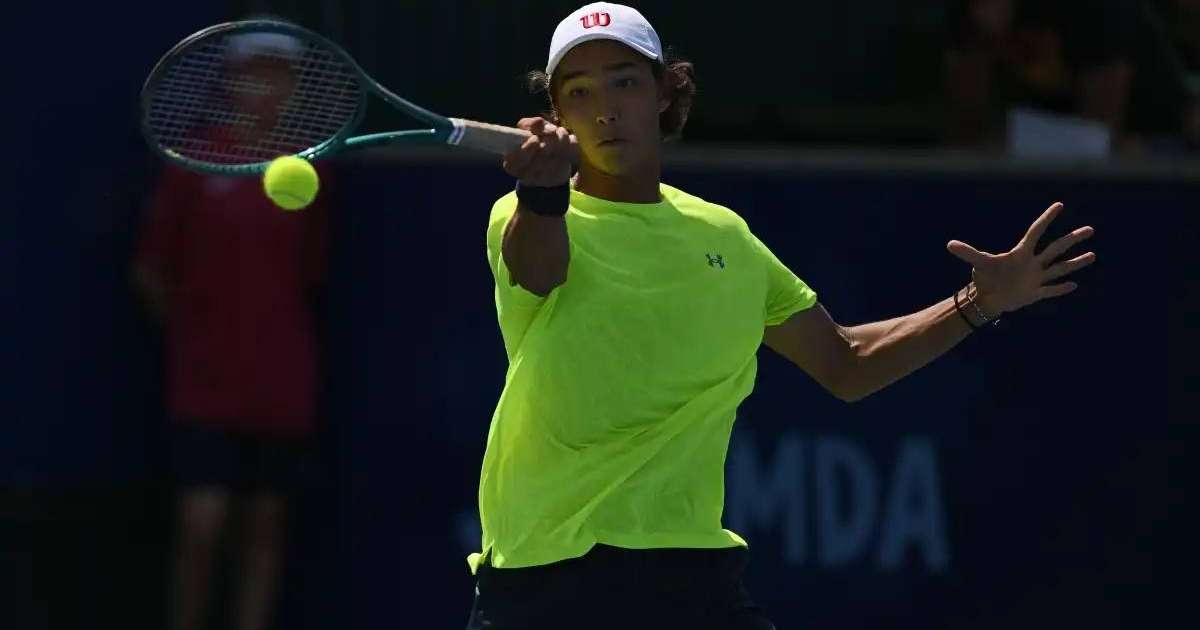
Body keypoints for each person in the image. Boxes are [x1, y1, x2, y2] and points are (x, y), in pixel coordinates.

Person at [465, 3, 1098, 629]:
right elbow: (539, 270)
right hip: (545, 582)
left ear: (664, 92)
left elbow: (846, 362)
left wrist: (980, 303)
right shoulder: (524, 216)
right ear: (558, 115)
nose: (605, 107)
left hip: (687, 572)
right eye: (579, 91)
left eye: (625, 82)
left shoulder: (726, 238)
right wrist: (542, 193)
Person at [132, 30, 330, 630]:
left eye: (280, 76)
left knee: (265, 530)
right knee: (202, 527)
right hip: (205, 384)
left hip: (282, 384)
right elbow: (149, 272)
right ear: (232, 83)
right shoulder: (192, 162)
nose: (266, 87)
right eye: (254, 74)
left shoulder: (309, 173)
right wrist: (199, 342)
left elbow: (311, 275)